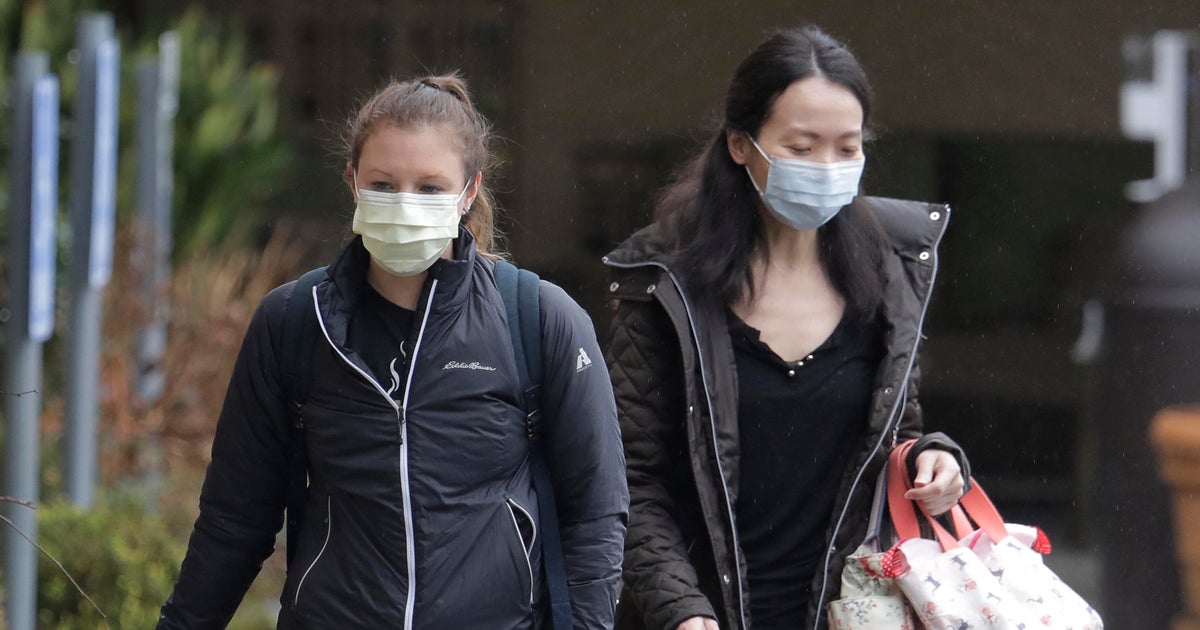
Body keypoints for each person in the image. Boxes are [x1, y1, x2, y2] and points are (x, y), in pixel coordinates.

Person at [157, 74, 628, 629]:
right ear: (352, 182)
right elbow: (235, 518)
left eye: (430, 188)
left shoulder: (538, 319)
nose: (405, 204)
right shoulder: (294, 322)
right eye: (383, 184)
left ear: (469, 192)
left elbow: (596, 515)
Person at [603, 27, 970, 630]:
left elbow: (890, 437)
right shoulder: (665, 284)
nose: (827, 168)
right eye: (801, 147)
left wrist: (934, 459)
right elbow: (629, 480)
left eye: (847, 148)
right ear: (740, 145)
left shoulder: (889, 275)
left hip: (845, 614)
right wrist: (681, 610)